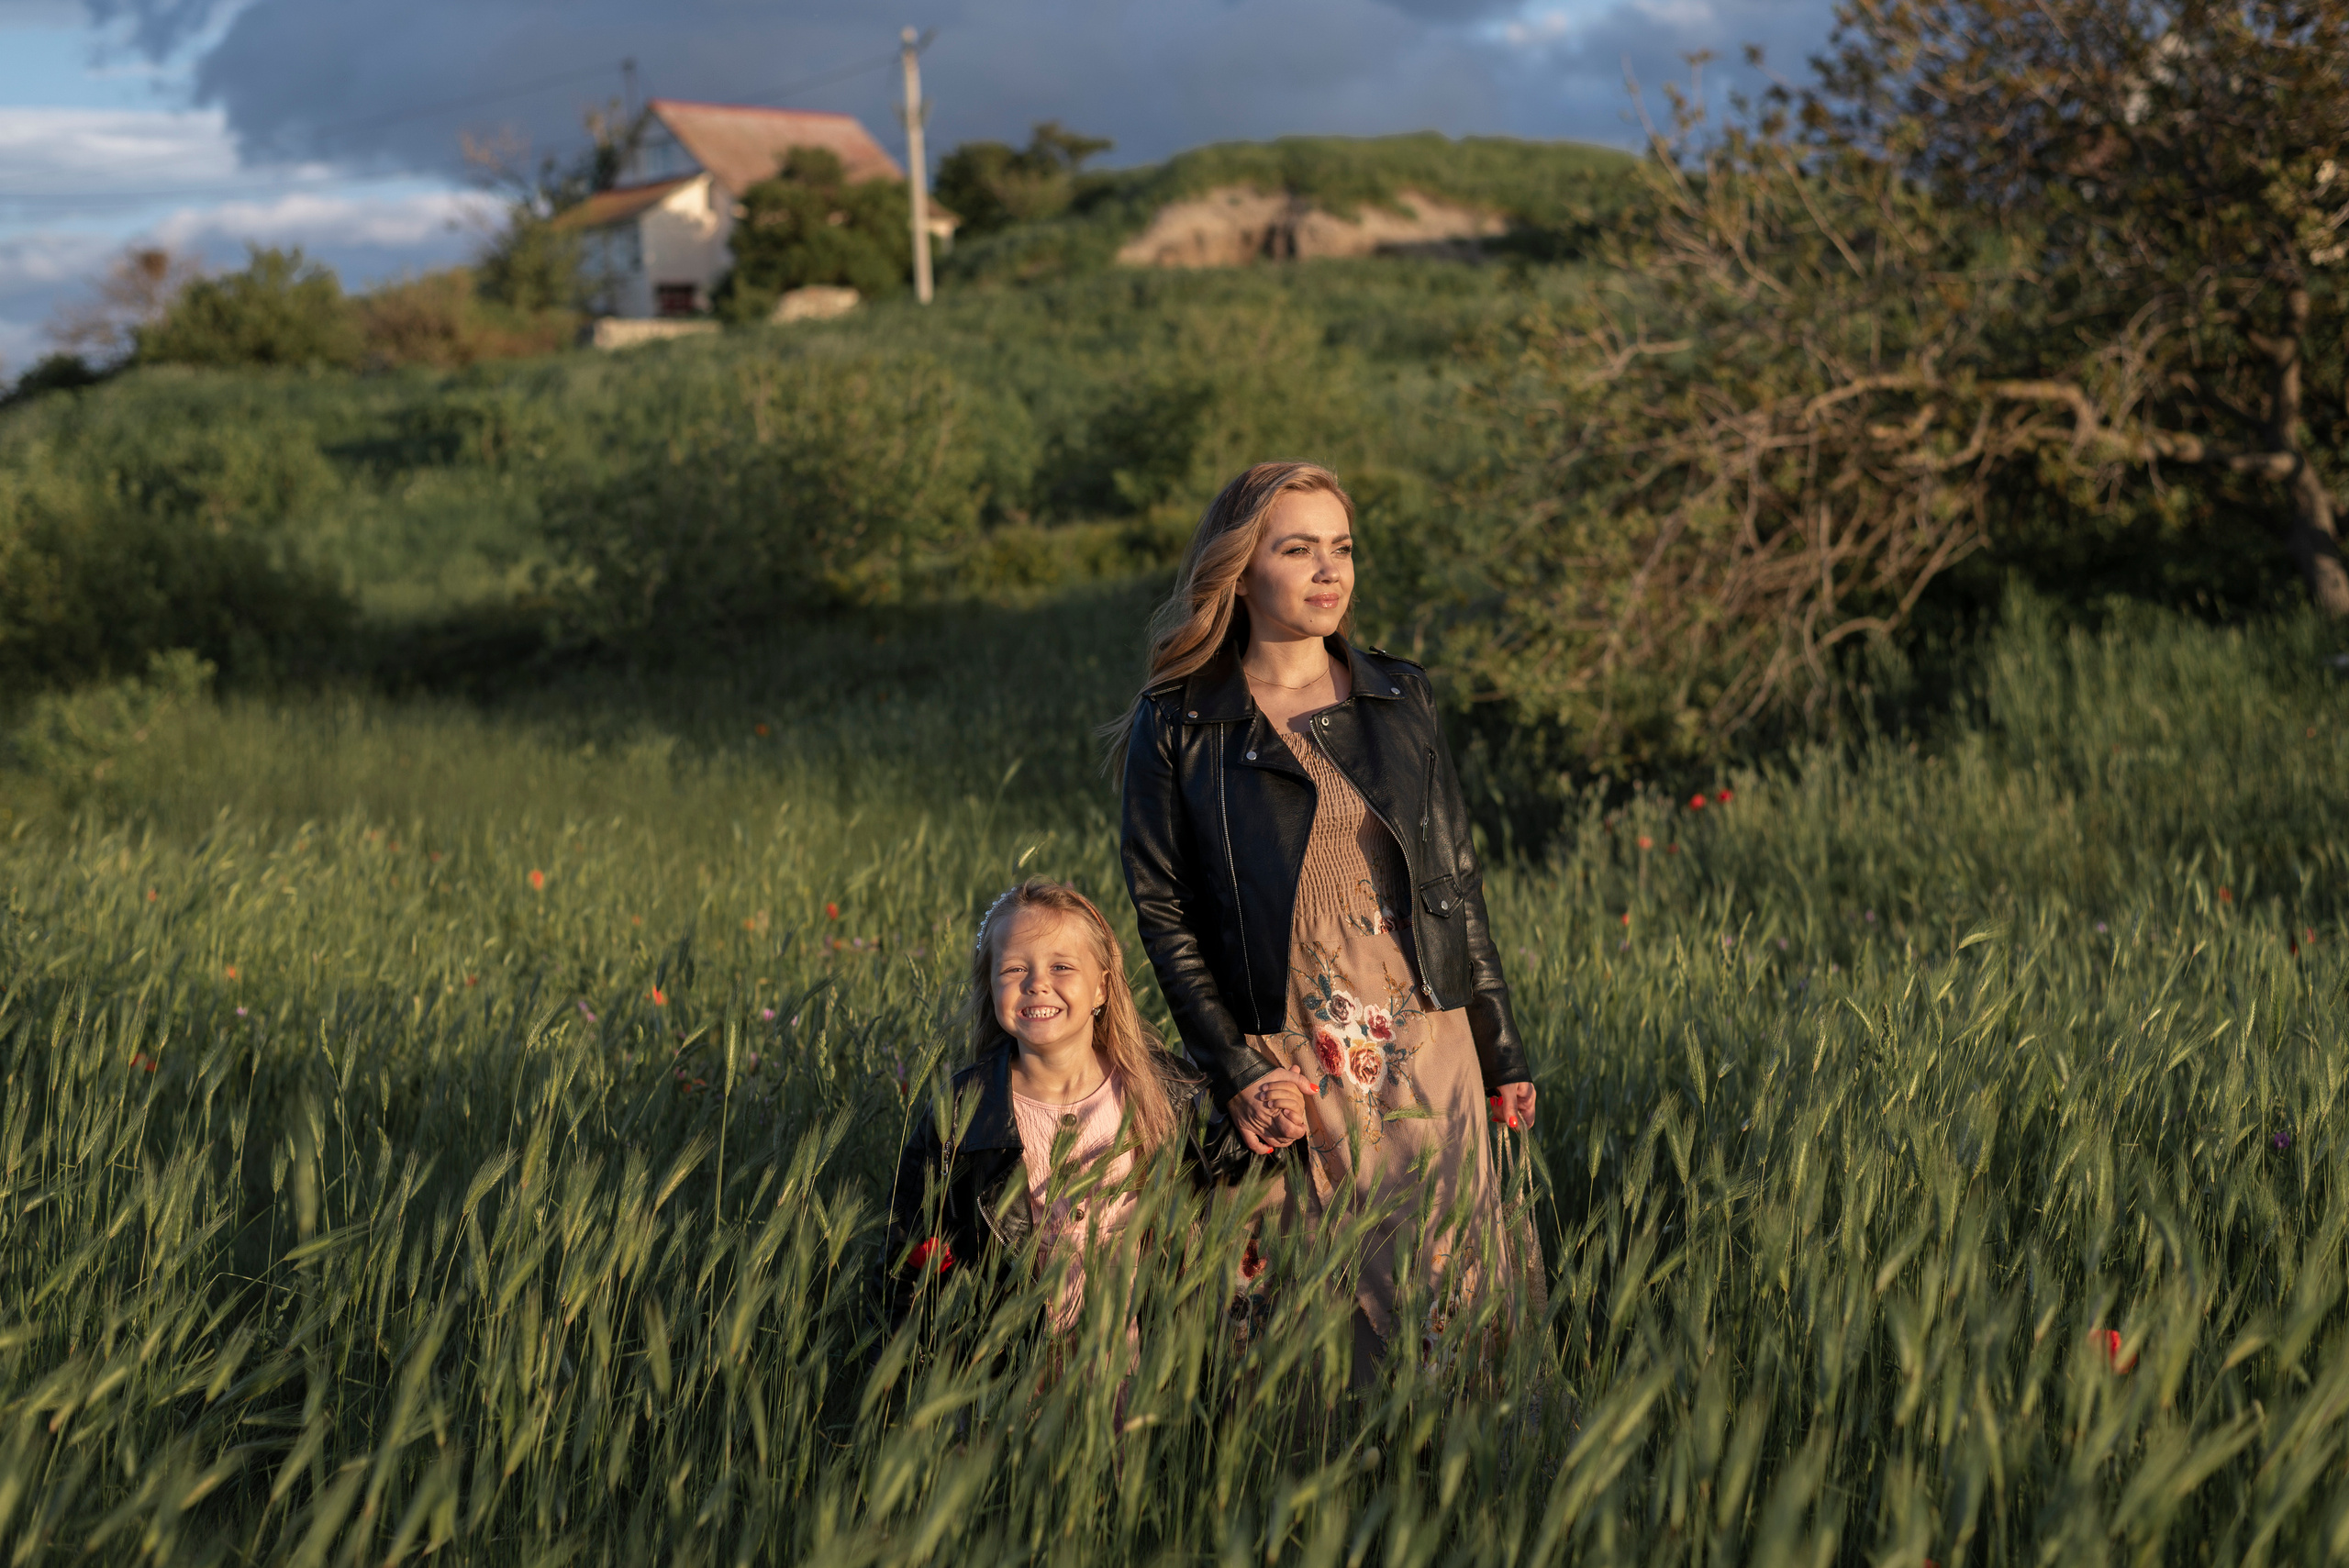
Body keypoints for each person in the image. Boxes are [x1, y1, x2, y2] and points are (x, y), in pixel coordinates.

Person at [1114, 460, 1542, 1374]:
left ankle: (1475, 1478)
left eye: (1340, 548)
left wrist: (1501, 1045)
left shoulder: (1397, 694)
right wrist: (1231, 1064)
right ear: (1239, 568)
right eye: (1297, 548)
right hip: (1290, 1039)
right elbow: (1163, 909)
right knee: (1319, 1283)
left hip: (1425, 1027)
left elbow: (1455, 882)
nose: (1328, 571)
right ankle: (1343, 1488)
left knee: (1450, 1269)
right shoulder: (1181, 722)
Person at [882, 877, 1252, 1332]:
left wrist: (1269, 1109)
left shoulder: (1159, 1087)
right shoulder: (966, 1109)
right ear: (990, 986)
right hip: (1018, 1371)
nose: (1037, 984)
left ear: (1101, 987)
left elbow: (1227, 1155)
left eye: (1061, 967)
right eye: (1014, 969)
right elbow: (910, 1244)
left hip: (1138, 1363)